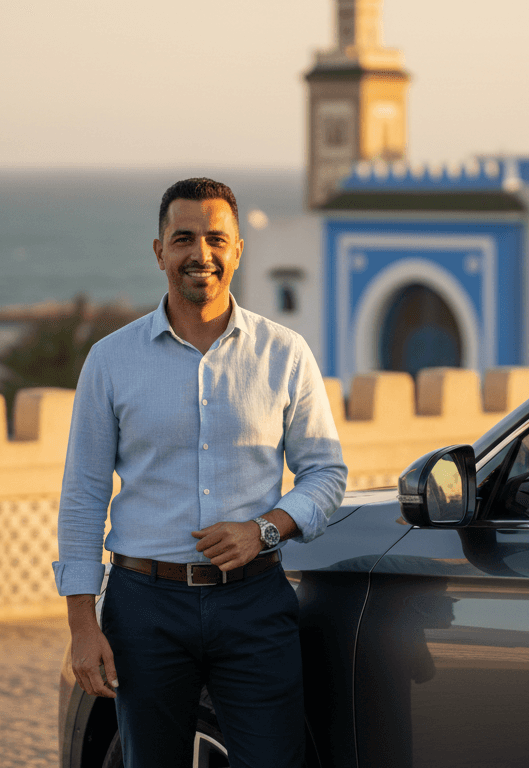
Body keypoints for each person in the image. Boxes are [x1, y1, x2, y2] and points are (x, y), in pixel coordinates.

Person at [52, 177, 347, 768]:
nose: (201, 253)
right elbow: (84, 495)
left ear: (238, 249)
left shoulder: (285, 354)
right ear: (159, 251)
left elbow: (326, 475)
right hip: (144, 608)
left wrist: (264, 529)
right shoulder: (111, 360)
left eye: (217, 238)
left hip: (255, 604)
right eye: (183, 238)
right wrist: (83, 626)